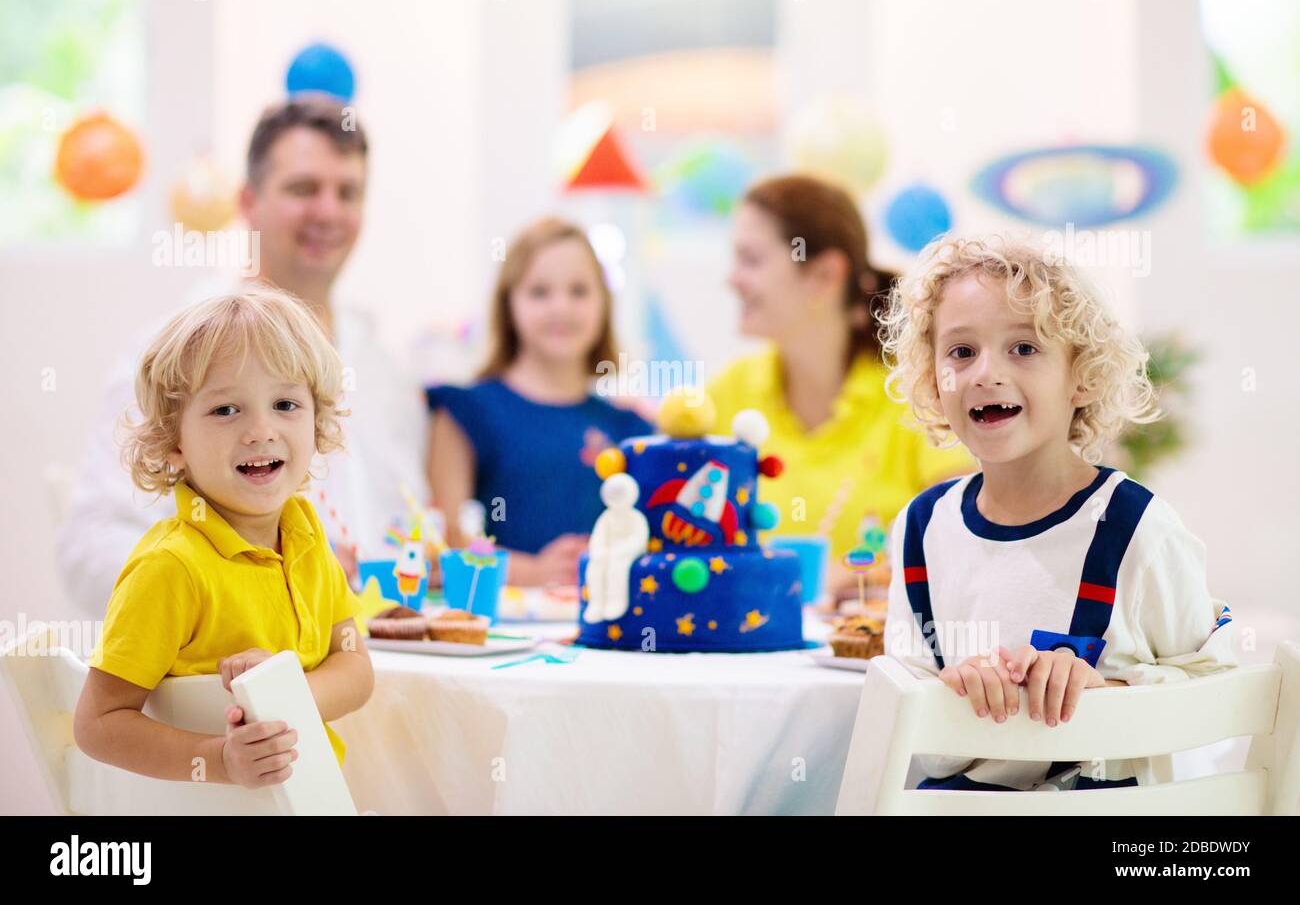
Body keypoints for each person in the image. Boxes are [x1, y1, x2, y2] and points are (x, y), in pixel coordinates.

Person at [878, 235, 1235, 791]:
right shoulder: (920, 530)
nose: (984, 373)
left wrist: (1108, 694)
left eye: (1023, 348)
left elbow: (1217, 703)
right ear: (933, 379)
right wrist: (953, 688)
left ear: (1083, 375)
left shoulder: (1140, 530)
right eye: (960, 351)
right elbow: (909, 726)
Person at [60, 97, 428, 615]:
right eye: (304, 189)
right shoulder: (173, 354)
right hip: (234, 676)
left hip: (386, 656)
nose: (328, 211)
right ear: (248, 201)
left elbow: (410, 523)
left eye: (348, 192)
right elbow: (91, 546)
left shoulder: (383, 367)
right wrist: (239, 593)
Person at [73, 289, 373, 784]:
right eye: (225, 410)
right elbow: (97, 724)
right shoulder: (171, 567)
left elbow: (356, 667)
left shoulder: (306, 536)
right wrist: (220, 761)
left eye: (284, 403)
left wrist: (284, 691)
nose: (261, 429)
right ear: (173, 441)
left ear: (317, 424)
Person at [707, 174, 974, 600]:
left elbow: (971, 541)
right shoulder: (728, 394)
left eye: (751, 260)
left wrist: (879, 576)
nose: (731, 279)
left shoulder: (914, 396)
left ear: (824, 275)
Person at [427, 217, 651, 586]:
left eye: (579, 291)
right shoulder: (464, 412)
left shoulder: (631, 429)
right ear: (508, 304)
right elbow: (443, 542)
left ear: (604, 304)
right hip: (498, 630)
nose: (561, 307)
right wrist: (531, 572)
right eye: (539, 291)